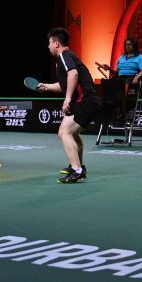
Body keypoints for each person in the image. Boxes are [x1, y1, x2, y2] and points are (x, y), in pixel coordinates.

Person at [35, 27, 102, 183]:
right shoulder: (67, 57)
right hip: (87, 101)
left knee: (65, 132)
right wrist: (46, 86)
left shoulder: (64, 56)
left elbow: (73, 74)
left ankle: (77, 170)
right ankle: (78, 166)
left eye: (49, 43)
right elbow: (64, 84)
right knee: (72, 133)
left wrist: (67, 99)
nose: (48, 46)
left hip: (86, 101)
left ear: (56, 43)